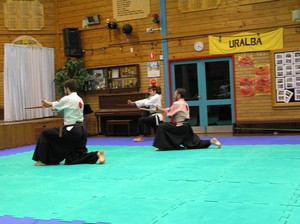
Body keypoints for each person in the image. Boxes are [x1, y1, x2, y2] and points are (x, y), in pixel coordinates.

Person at [32, 79, 105, 166]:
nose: (64, 91)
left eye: (64, 89)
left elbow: (56, 106)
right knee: (73, 158)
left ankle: (42, 160)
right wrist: (50, 104)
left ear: (67, 88)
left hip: (72, 131)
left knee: (45, 134)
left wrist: (47, 103)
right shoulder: (79, 99)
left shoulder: (67, 98)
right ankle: (97, 154)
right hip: (82, 131)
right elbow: (58, 105)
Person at [153, 88, 222, 150]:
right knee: (193, 144)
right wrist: (160, 109)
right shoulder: (184, 103)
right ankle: (211, 141)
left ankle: (164, 146)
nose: (174, 95)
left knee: (161, 127)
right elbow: (169, 110)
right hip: (186, 126)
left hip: (179, 127)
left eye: (175, 94)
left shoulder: (177, 103)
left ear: (179, 95)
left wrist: (162, 110)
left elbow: (170, 114)